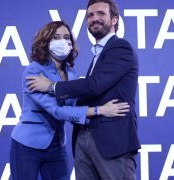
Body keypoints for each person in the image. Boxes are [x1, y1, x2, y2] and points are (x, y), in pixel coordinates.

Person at [26, 0, 141, 179]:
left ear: (115, 20)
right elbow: (83, 96)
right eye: (90, 15)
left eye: (101, 14)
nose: (95, 18)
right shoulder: (98, 54)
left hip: (112, 142)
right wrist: (97, 110)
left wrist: (51, 86)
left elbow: (94, 85)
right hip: (84, 139)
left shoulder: (120, 47)